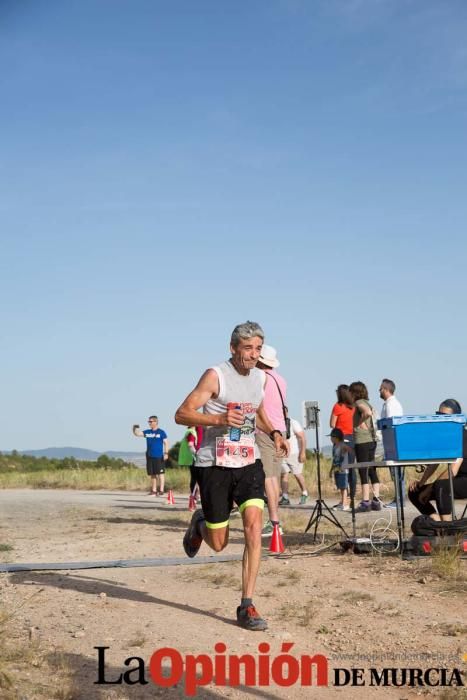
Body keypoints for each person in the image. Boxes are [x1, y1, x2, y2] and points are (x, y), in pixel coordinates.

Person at [174, 321, 288, 631]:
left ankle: (247, 604)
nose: (253, 355)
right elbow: (181, 413)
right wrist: (218, 418)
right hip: (214, 465)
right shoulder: (215, 375)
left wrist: (275, 431)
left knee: (253, 528)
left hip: (249, 462)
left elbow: (258, 409)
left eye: (258, 349)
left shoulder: (261, 377)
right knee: (219, 543)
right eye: (248, 348)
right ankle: (200, 523)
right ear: (233, 348)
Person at [408, 399, 467, 521]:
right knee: (414, 492)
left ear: (455, 418)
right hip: (457, 480)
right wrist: (421, 483)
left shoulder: (460, 435)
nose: (440, 419)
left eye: (444, 416)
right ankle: (437, 525)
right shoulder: (443, 436)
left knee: (441, 485)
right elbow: (434, 463)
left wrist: (430, 489)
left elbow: (452, 471)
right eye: (438, 415)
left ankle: (448, 530)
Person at [255, 345, 288, 537]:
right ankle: (276, 521)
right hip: (280, 431)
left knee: (268, 477)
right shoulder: (280, 379)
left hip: (265, 430)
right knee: (274, 476)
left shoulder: (260, 377)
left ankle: (274, 522)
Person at [349, 381, 382, 512]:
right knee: (372, 469)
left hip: (362, 440)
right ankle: (376, 500)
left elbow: (367, 413)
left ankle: (365, 501)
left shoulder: (358, 403)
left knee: (363, 470)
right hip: (371, 440)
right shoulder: (368, 402)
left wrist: (358, 423)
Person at [379, 378, 404, 508]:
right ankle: (398, 499)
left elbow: (390, 424)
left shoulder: (391, 404)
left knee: (397, 472)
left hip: (393, 442)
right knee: (395, 473)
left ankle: (399, 500)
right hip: (391, 443)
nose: (379, 391)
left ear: (387, 390)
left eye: (381, 388)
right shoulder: (388, 403)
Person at [330, 384, 356, 501]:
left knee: (340, 468)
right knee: (351, 468)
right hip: (351, 439)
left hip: (340, 439)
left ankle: (343, 499)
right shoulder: (353, 407)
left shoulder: (338, 406)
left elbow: (332, 424)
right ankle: (352, 496)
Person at [279, 410, 309, 506]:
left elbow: (302, 437)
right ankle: (285, 497)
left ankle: (305, 493)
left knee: (297, 474)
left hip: (294, 453)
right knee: (284, 474)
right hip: (282, 454)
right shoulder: (276, 422)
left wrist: (302, 452)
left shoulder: (293, 422)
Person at [132, 416, 168, 496]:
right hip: (149, 455)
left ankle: (161, 490)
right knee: (152, 474)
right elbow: (137, 434)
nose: (149, 423)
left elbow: (166, 443)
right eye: (149, 421)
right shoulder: (148, 432)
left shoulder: (161, 432)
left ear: (156, 422)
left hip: (159, 456)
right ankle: (154, 491)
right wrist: (134, 428)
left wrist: (166, 453)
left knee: (160, 474)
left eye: (151, 421)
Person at [329, 428, 354, 511]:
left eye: (332, 437)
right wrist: (331, 470)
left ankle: (344, 504)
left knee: (344, 486)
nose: (331, 439)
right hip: (337, 469)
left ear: (336, 437)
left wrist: (346, 453)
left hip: (343, 469)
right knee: (340, 486)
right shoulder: (335, 447)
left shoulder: (342, 445)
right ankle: (343, 502)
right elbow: (334, 459)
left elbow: (350, 450)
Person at [178, 426, 203, 502]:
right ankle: (194, 496)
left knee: (196, 478)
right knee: (196, 478)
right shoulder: (191, 432)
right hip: (194, 458)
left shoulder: (192, 431)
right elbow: (190, 444)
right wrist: (196, 453)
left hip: (192, 459)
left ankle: (196, 495)